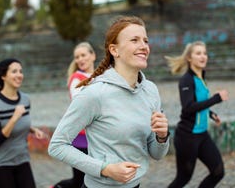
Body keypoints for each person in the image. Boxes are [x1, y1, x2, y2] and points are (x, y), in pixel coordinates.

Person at [48, 15, 170, 188]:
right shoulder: (94, 94)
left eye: (145, 40)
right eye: (134, 40)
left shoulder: (151, 90)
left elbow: (157, 154)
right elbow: (57, 145)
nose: (143, 46)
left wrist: (162, 137)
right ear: (114, 50)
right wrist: (105, 169)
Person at [165, 41, 229, 188]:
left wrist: (211, 114)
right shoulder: (186, 80)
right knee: (183, 179)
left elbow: (199, 103)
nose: (203, 56)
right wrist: (216, 98)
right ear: (189, 58)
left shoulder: (201, 77)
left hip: (202, 135)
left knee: (218, 172)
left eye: (205, 53)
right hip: (187, 137)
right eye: (198, 53)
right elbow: (188, 108)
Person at [0, 58, 47, 188]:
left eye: (20, 71)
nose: (19, 75)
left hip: (22, 159)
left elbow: (21, 123)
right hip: (0, 163)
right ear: (3, 76)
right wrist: (14, 117)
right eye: (14, 71)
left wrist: (33, 130)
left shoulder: (25, 99)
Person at [52, 42, 96, 188]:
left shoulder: (101, 75)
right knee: (79, 181)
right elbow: (81, 104)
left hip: (96, 136)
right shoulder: (76, 78)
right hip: (80, 137)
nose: (80, 59)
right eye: (77, 57)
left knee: (94, 178)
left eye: (83, 55)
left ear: (93, 56)